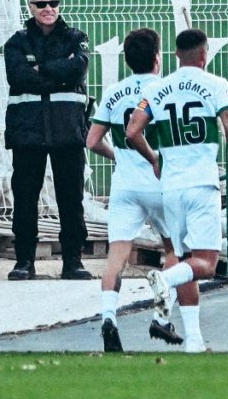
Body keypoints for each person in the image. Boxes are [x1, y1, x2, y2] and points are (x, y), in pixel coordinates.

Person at [125, 29, 228, 353]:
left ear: (176, 55)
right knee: (206, 261)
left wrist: (154, 158)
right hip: (202, 183)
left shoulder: (156, 88)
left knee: (184, 260)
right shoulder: (216, 84)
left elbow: (132, 131)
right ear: (204, 55)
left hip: (171, 187)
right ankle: (164, 282)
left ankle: (193, 340)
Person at [86, 28, 193, 352]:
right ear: (158, 58)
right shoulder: (164, 90)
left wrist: (119, 154)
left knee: (116, 257)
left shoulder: (114, 92)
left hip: (125, 186)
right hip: (161, 183)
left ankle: (108, 318)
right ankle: (162, 316)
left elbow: (92, 141)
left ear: (128, 60)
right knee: (175, 250)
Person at [3, 0, 93, 281]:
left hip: (67, 132)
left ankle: (73, 261)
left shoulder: (76, 38)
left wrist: (40, 69)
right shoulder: (17, 42)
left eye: (53, 2)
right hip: (28, 132)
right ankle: (24, 261)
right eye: (41, 4)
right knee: (25, 198)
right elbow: (18, 76)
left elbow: (77, 70)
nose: (48, 9)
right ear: (30, 7)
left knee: (71, 198)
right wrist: (56, 71)